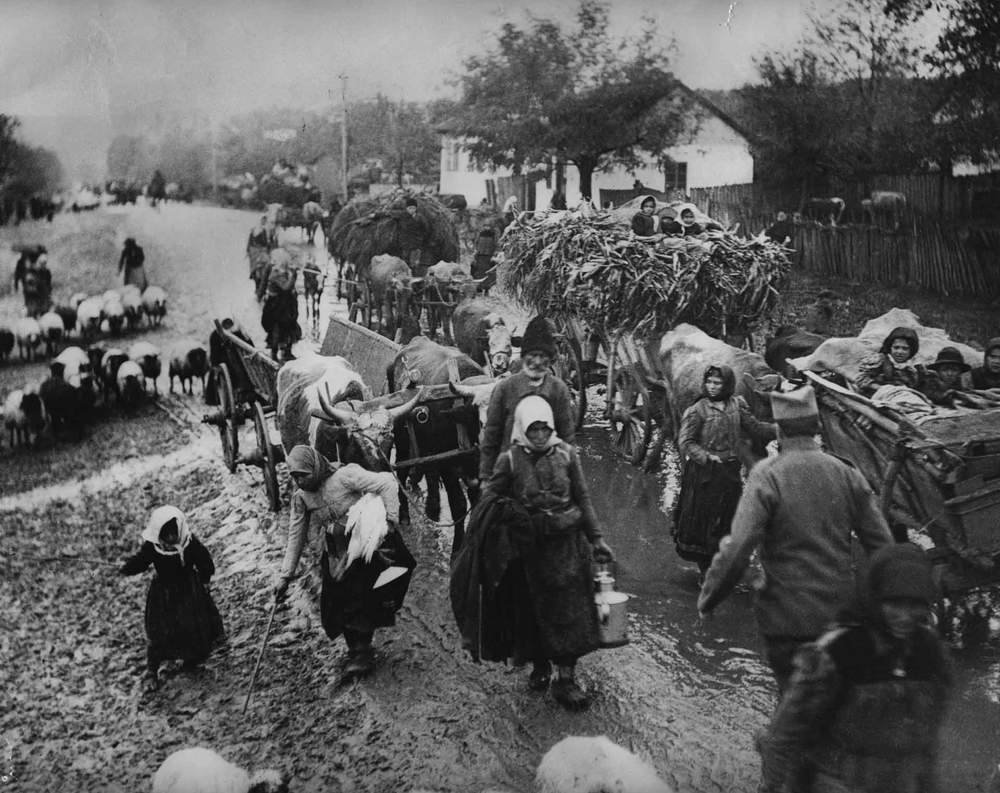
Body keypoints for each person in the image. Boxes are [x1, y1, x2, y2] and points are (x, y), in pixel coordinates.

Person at [698, 386, 893, 693]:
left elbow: (737, 548)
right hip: (842, 617)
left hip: (786, 621)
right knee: (837, 704)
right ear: (817, 427)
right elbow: (882, 546)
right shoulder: (846, 472)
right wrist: (887, 611)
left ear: (779, 429)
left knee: (795, 709)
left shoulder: (768, 474)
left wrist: (710, 598)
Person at [757, 543, 952, 793]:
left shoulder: (931, 651)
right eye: (894, 604)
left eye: (915, 605)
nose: (905, 616)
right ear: (875, 599)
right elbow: (786, 731)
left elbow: (929, 743)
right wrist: (771, 786)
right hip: (838, 781)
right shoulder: (840, 650)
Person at [480, 396, 614, 709]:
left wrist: (597, 539)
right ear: (523, 429)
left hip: (568, 548)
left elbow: (583, 497)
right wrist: (509, 519)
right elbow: (491, 499)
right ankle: (540, 665)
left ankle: (565, 679)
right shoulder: (510, 460)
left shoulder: (567, 454)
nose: (540, 435)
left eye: (545, 428)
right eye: (534, 429)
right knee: (533, 614)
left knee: (570, 613)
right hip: (529, 552)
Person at [272, 445, 415, 679]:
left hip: (364, 546)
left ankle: (363, 651)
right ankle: (355, 649)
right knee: (337, 601)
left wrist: (389, 521)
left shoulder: (345, 477)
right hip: (337, 553)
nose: (299, 482)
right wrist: (284, 576)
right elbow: (295, 536)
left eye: (303, 475)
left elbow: (386, 482)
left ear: (315, 467)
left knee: (365, 597)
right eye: (294, 477)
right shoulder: (301, 498)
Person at [673, 365, 775, 575]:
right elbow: (686, 442)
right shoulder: (697, 410)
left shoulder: (737, 405)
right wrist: (705, 457)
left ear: (727, 384)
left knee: (727, 516)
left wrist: (783, 429)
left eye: (717, 383)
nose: (712, 387)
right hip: (704, 473)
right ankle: (705, 571)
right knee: (703, 520)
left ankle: (721, 565)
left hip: (729, 471)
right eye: (709, 382)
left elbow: (755, 427)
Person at [119, 506, 224, 691]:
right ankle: (152, 670)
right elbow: (141, 561)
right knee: (161, 631)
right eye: (166, 535)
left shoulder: (188, 542)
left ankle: (192, 656)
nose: (171, 539)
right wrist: (127, 567)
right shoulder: (154, 547)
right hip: (164, 594)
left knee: (192, 624)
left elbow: (204, 561)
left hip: (189, 591)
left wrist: (205, 579)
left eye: (173, 533)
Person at [478, 315, 576, 483]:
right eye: (532, 355)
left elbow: (568, 438)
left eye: (544, 354)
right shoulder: (507, 384)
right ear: (524, 356)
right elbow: (491, 436)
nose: (538, 361)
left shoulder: (559, 385)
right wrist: (487, 478)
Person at [854, 326, 926, 397]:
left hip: (905, 395)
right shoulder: (880, 360)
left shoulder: (914, 366)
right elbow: (861, 379)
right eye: (896, 347)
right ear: (890, 347)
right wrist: (882, 388)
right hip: (879, 395)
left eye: (905, 349)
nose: (900, 352)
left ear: (912, 350)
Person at [260, 248, 301, 358]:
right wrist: (294, 275)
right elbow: (285, 287)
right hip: (276, 307)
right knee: (276, 330)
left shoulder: (283, 272)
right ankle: (274, 354)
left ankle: (287, 352)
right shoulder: (275, 273)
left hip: (285, 305)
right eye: (287, 261)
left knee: (290, 328)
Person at [397, 197, 429, 275]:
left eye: (413, 208)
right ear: (406, 208)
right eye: (410, 208)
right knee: (405, 262)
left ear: (416, 208)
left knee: (415, 263)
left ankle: (415, 279)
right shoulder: (402, 216)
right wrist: (375, 215)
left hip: (416, 245)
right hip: (405, 244)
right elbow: (389, 213)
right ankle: (406, 278)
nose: (412, 210)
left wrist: (420, 238)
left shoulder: (420, 218)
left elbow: (426, 229)